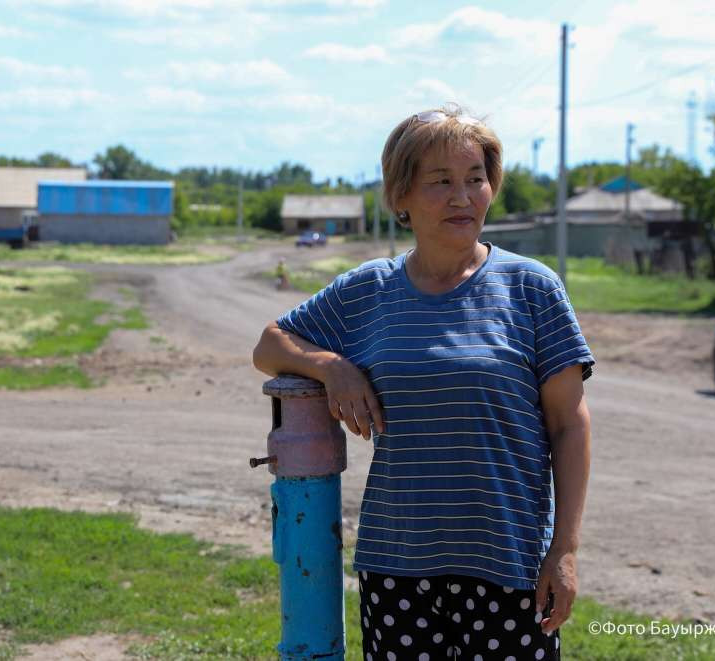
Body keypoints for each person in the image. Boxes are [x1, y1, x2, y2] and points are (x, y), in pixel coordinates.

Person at [253, 106, 594, 661]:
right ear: (401, 196)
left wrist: (566, 550)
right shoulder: (370, 289)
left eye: (475, 179)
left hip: (511, 564)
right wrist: (332, 366)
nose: (463, 197)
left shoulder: (533, 288)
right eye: (441, 182)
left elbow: (569, 425)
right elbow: (270, 345)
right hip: (397, 567)